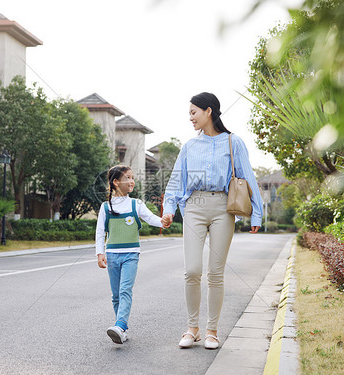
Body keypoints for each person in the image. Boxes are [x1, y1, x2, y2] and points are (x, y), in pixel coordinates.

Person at [161, 92, 263, 350]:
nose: (190, 118)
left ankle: (212, 331)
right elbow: (176, 179)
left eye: (193, 112)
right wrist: (169, 208)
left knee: (216, 273)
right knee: (192, 270)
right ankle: (192, 328)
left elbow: (247, 177)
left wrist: (258, 213)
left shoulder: (233, 142)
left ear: (209, 111)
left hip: (222, 209)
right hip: (193, 207)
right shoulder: (189, 146)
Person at [96, 165, 163, 344]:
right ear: (116, 182)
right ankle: (121, 330)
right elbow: (100, 231)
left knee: (125, 290)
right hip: (112, 255)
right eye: (127, 178)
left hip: (131, 254)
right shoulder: (105, 207)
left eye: (132, 177)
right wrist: (99, 253)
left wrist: (163, 222)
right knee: (116, 295)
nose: (132, 181)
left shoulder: (136, 204)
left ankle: (120, 325)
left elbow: (150, 218)